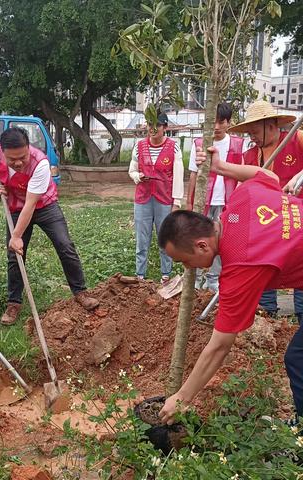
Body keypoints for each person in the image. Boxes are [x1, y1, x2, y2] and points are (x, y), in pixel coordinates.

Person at [157, 145, 303, 425]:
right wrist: (221, 167)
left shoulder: (240, 267)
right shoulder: (242, 198)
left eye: (185, 261)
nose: (187, 269)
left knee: (298, 360)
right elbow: (267, 175)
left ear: (202, 245)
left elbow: (220, 346)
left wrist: (182, 397)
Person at [0, 127, 99, 325]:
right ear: (2, 152)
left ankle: (80, 292)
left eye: (23, 156)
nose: (19, 163)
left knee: (65, 245)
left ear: (29, 148)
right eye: (13, 159)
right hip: (15, 206)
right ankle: (14, 303)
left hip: (44, 205)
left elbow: (31, 204)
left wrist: (17, 235)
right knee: (15, 255)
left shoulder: (40, 163)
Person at [230, 100, 303, 321]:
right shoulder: (250, 156)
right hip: (269, 226)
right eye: (249, 133)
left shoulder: (296, 139)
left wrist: (300, 177)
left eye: (254, 132)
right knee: (264, 264)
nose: (251, 137)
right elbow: (245, 189)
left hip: (298, 224)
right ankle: (267, 313)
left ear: (271, 125)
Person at [186, 103, 245, 292]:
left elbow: (242, 174)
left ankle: (213, 278)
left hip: (228, 204)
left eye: (222, 122)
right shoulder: (199, 143)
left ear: (229, 122)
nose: (217, 127)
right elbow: (193, 174)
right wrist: (190, 202)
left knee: (223, 240)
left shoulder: (238, 144)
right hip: (204, 201)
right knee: (199, 238)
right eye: (214, 122)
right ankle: (195, 277)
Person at [128, 112, 184, 283]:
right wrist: (138, 176)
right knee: (141, 238)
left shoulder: (173, 147)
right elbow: (132, 170)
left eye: (157, 125)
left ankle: (165, 275)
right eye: (150, 124)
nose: (152, 129)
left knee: (165, 237)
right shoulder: (139, 146)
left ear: (165, 128)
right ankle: (140, 276)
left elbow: (178, 176)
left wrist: (177, 202)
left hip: (164, 199)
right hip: (143, 198)